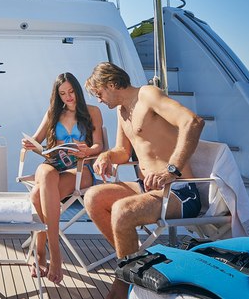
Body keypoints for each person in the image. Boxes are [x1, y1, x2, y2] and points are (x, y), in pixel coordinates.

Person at [82, 62, 204, 297]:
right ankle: (135, 265)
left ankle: (123, 282)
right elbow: (122, 152)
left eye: (99, 93)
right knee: (93, 197)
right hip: (147, 187)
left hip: (179, 190)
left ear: (111, 84)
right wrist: (107, 155)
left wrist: (172, 169)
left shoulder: (148, 95)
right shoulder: (121, 110)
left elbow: (193, 122)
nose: (98, 100)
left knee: (122, 210)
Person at [22, 72, 104, 284]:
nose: (68, 97)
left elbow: (99, 146)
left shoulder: (93, 112)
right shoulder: (53, 113)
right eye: (63, 93)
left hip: (80, 169)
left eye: (71, 91)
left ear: (77, 90)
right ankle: (52, 254)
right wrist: (30, 144)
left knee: (37, 195)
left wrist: (87, 151)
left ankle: (43, 252)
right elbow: (37, 140)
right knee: (46, 174)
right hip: (53, 164)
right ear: (57, 95)